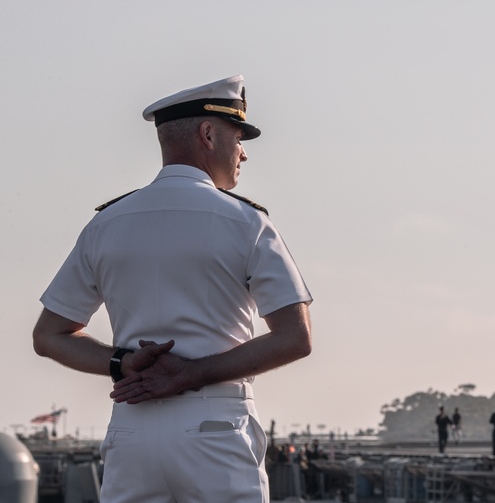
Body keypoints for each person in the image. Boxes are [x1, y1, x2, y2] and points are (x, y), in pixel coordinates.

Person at [32, 76, 313, 503]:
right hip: (216, 428)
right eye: (238, 137)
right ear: (208, 133)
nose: (244, 152)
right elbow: (296, 337)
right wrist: (191, 374)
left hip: (132, 429)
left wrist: (122, 362)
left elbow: (48, 335)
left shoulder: (106, 223)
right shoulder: (247, 223)